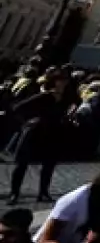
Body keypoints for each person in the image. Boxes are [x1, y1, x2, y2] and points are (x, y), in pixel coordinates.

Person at [8, 70, 71, 205]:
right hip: (35, 132)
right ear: (54, 81)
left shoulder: (65, 98)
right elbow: (18, 107)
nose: (64, 83)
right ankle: (14, 193)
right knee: (22, 164)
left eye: (65, 80)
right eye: (61, 80)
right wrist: (26, 122)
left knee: (49, 164)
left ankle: (43, 193)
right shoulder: (44, 96)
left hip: (52, 133)